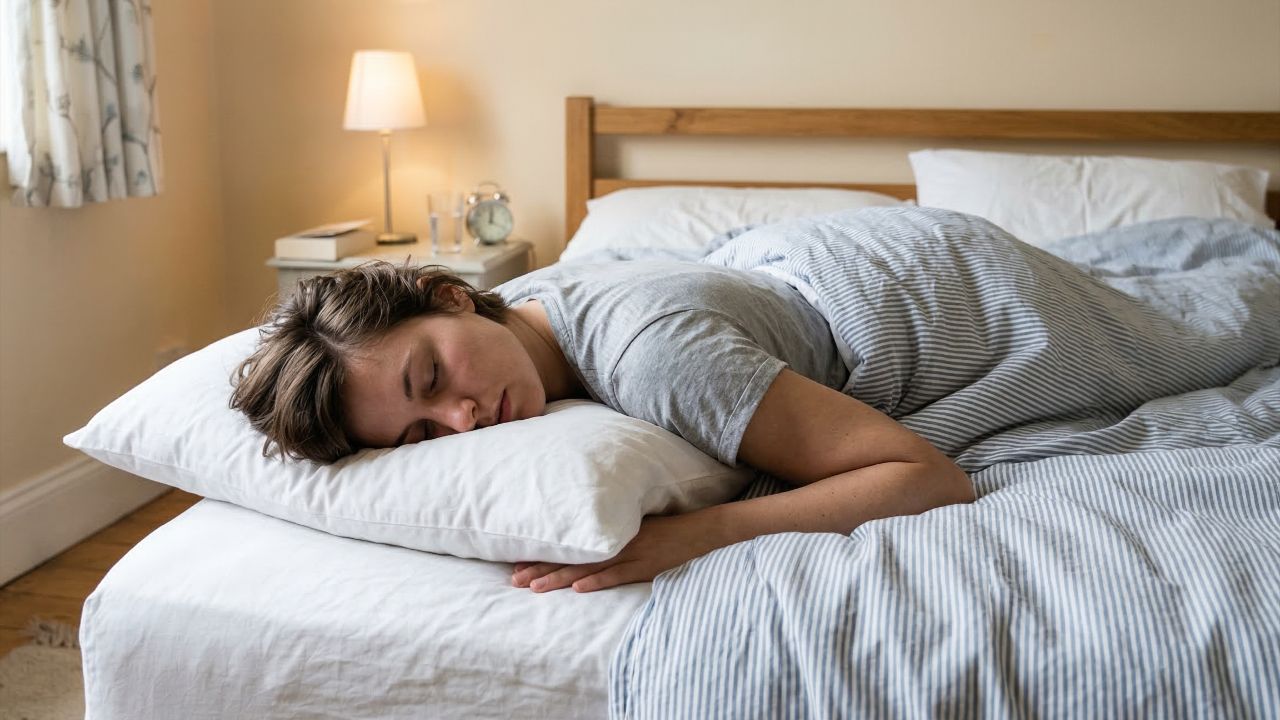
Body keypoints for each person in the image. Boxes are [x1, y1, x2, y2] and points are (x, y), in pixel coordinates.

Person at [230, 239, 976, 595]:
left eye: (430, 376)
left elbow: (927, 476)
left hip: (943, 278)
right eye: (420, 434)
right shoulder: (528, 306)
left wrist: (696, 534)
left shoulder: (658, 359)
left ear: (450, 295)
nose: (461, 420)